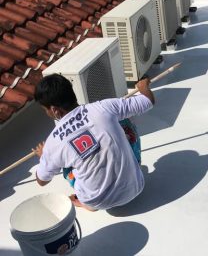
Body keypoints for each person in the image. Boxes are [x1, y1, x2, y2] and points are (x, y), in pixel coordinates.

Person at [32, 74, 154, 211]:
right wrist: (143, 87)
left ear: (54, 109)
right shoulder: (104, 107)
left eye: (45, 109)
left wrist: (44, 156)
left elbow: (41, 181)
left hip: (96, 203)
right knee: (124, 122)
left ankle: (85, 201)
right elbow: (148, 101)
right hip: (135, 187)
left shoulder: (53, 142)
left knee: (63, 161)